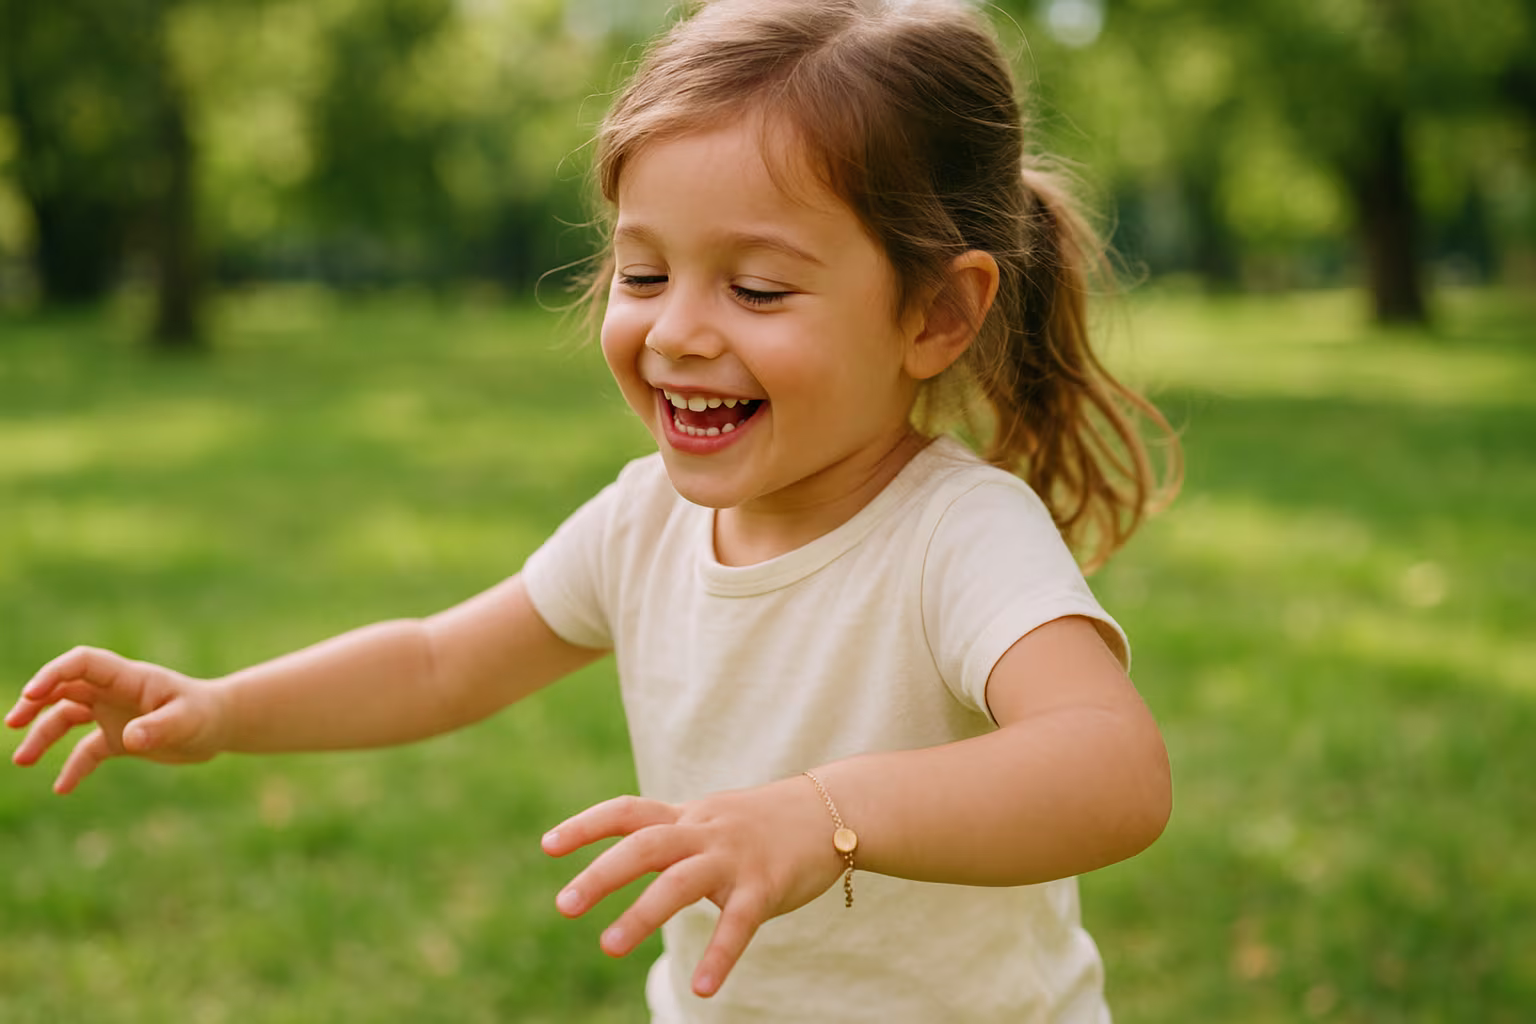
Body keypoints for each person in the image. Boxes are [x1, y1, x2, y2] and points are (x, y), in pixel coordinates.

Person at [7, 1, 1182, 1020]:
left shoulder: (954, 535)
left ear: (934, 314)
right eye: (643, 272)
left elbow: (1112, 770)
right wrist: (219, 710)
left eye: (757, 286)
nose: (677, 330)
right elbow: (434, 664)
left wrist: (823, 815)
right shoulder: (642, 525)